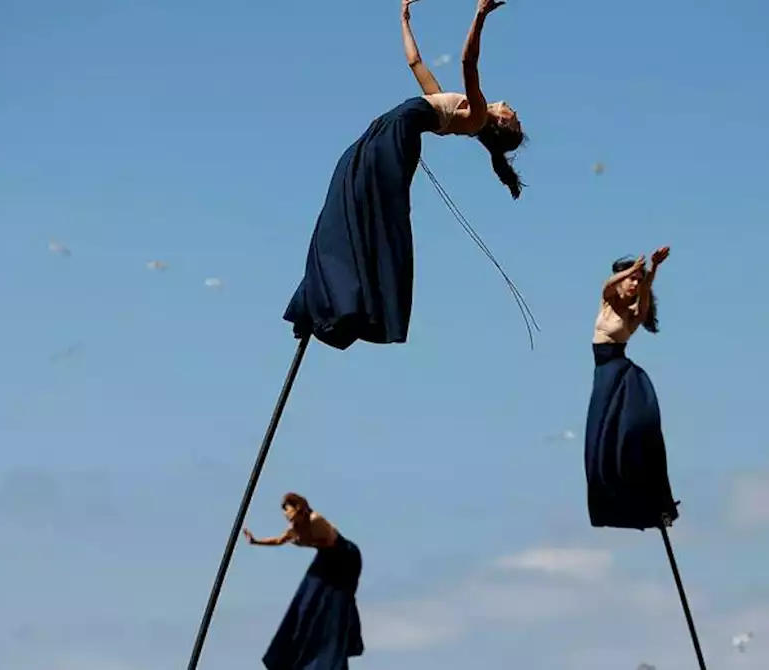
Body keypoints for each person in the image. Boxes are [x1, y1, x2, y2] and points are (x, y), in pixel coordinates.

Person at [283, 0, 526, 351]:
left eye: (513, 115)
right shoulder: (451, 104)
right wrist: (404, 19)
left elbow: (468, 62)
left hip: (394, 137)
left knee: (369, 212)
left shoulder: (475, 116)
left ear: (501, 123)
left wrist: (480, 14)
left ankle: (349, 299)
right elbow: (415, 63)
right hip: (382, 132)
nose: (511, 107)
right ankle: (323, 294)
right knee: (346, 204)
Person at [584, 246, 680, 530]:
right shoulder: (608, 303)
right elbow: (607, 284)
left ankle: (653, 498)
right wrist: (638, 269)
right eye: (631, 279)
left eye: (638, 281)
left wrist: (652, 270)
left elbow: (645, 290)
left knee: (635, 431)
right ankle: (613, 495)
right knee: (601, 441)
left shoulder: (635, 314)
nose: (635, 284)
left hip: (622, 375)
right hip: (604, 376)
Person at [244, 493, 364, 670]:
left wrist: (305, 539)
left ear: (298, 507)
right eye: (284, 511)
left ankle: (335, 653)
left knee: (335, 607)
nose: (285, 514)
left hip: (344, 558)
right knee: (305, 605)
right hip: (325, 560)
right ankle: (295, 658)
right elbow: (279, 540)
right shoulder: (295, 527)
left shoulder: (316, 520)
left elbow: (331, 541)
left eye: (288, 509)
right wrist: (255, 541)